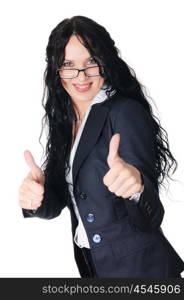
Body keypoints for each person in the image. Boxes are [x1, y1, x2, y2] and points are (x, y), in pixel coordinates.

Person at [18, 15, 184, 278]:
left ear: (105, 62)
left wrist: (137, 188)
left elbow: (152, 215)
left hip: (142, 271)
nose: (80, 76)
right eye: (68, 65)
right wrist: (37, 198)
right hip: (96, 268)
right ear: (56, 70)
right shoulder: (66, 120)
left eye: (91, 62)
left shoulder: (124, 112)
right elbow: (63, 198)